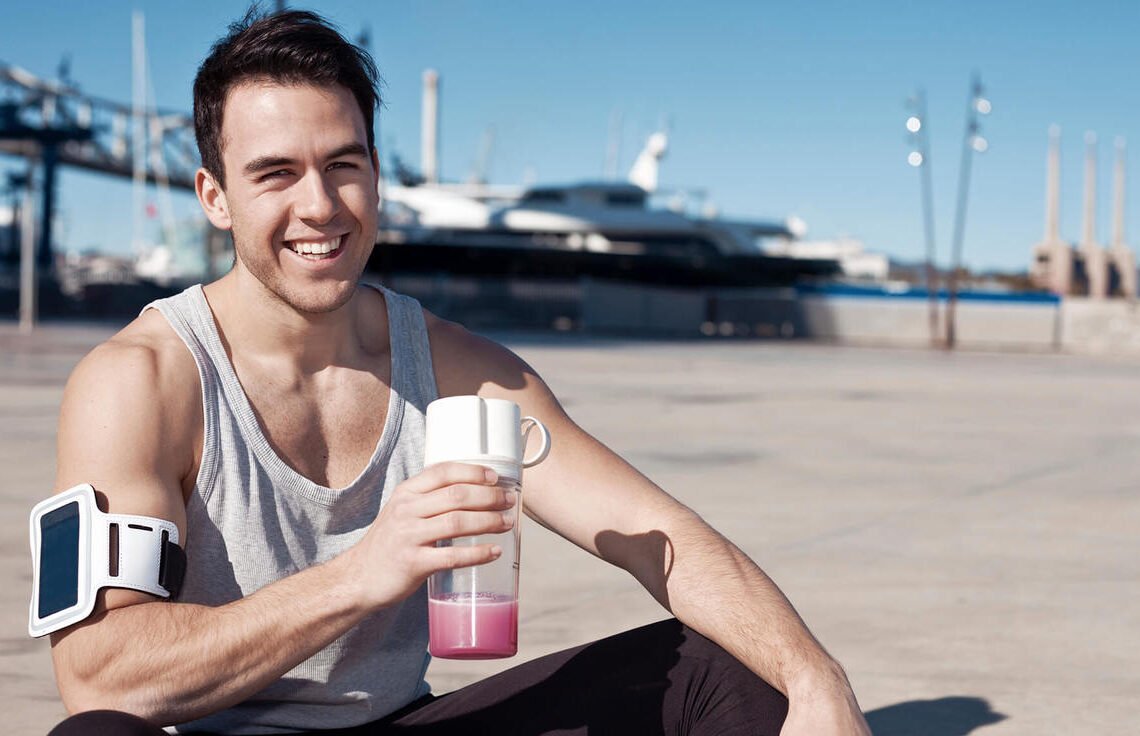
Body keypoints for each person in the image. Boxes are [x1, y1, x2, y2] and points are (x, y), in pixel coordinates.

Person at [44, 9, 870, 736]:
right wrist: (362, 576)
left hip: (406, 721)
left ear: (374, 173)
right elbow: (98, 678)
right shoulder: (139, 382)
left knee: (727, 664)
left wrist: (816, 678)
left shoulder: (462, 370)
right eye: (275, 174)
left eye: (343, 164)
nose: (321, 205)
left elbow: (667, 543)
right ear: (214, 196)